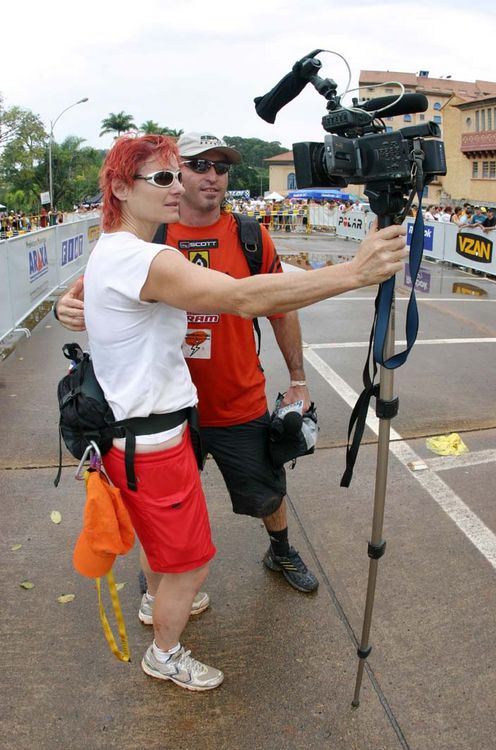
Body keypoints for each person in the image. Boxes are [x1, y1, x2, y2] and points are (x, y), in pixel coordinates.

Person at [56, 133, 405, 643]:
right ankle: (165, 592)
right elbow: (90, 295)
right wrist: (71, 307)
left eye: (220, 168)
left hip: (233, 399)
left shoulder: (247, 233)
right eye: (189, 168)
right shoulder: (145, 241)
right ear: (127, 188)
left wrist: (299, 377)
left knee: (265, 491)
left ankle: (278, 549)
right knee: (171, 524)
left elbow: (276, 303)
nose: (206, 177)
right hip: (165, 417)